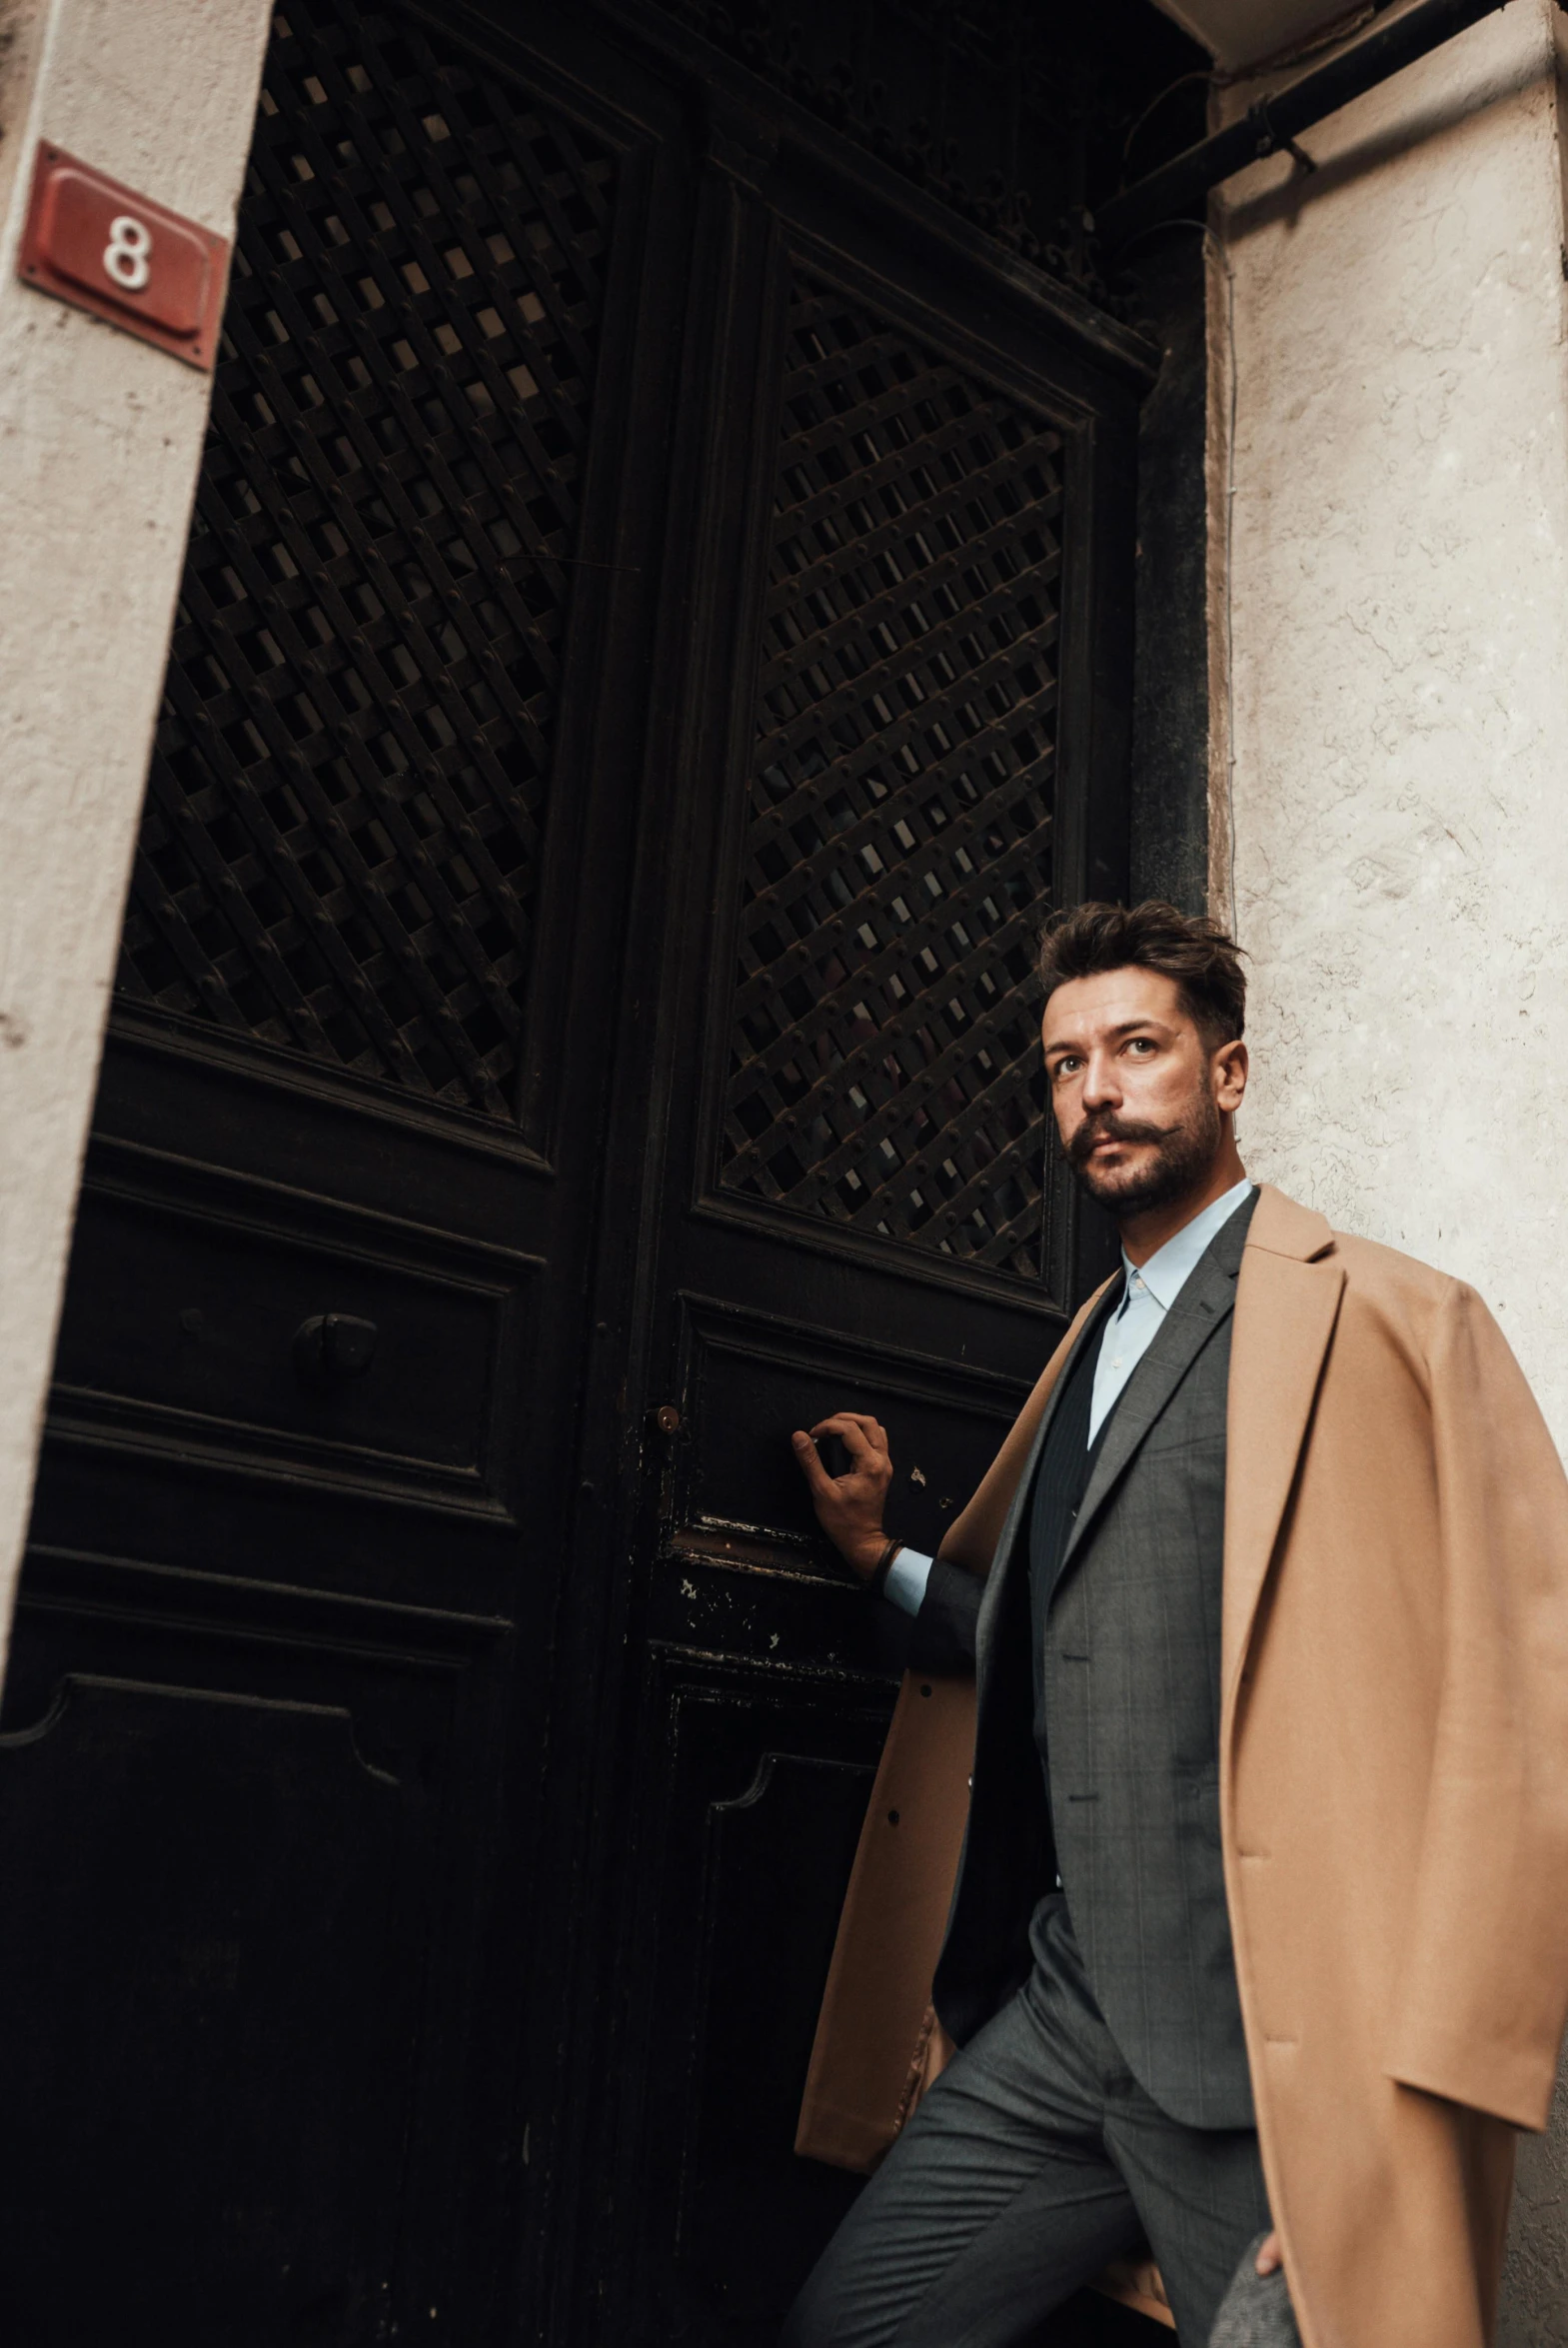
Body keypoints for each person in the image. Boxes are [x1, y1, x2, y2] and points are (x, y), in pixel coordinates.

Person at [781, 901, 1568, 2348]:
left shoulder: (1401, 1321)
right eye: (1067, 1062)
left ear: (1229, 1073)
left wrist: (1426, 2090)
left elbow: (1529, 1701)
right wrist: (882, 1558)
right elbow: (1057, 1638)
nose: (1099, 1088)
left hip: (1282, 2058)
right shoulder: (1087, 1345)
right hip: (1071, 2016)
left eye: (1138, 1046)